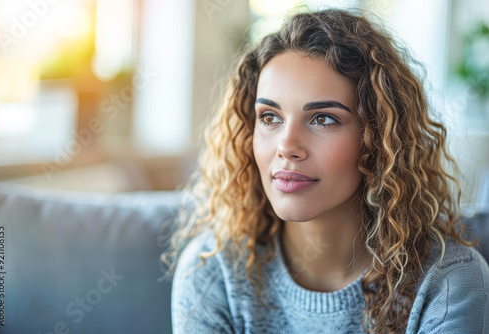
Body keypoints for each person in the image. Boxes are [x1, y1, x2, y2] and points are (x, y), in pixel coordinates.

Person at [166, 8, 489, 334]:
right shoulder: (212, 271)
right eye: (269, 117)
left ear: (377, 139)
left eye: (323, 118)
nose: (286, 145)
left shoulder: (449, 281)